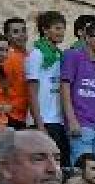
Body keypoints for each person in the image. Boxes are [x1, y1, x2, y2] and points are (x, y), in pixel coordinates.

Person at [61, 19, 95, 164]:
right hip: (81, 123)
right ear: (87, 38)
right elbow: (64, 88)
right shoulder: (72, 55)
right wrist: (71, 120)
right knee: (81, 169)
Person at [27, 11, 71, 164]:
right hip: (44, 120)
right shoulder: (37, 54)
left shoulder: (60, 55)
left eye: (63, 28)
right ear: (45, 30)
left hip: (59, 121)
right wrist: (39, 124)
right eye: (57, 28)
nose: (62, 32)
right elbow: (32, 92)